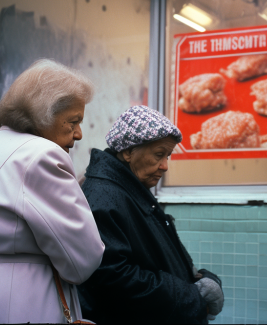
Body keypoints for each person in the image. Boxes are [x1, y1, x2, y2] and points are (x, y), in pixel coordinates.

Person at [0, 59, 105, 324]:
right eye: (73, 121)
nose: (78, 134)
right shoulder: (41, 155)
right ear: (44, 113)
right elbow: (83, 260)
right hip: (28, 301)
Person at [77, 105, 224, 324]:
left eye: (168, 155)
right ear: (128, 152)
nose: (165, 166)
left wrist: (198, 278)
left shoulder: (131, 189)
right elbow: (113, 276)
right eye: (158, 154)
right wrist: (191, 295)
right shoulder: (104, 196)